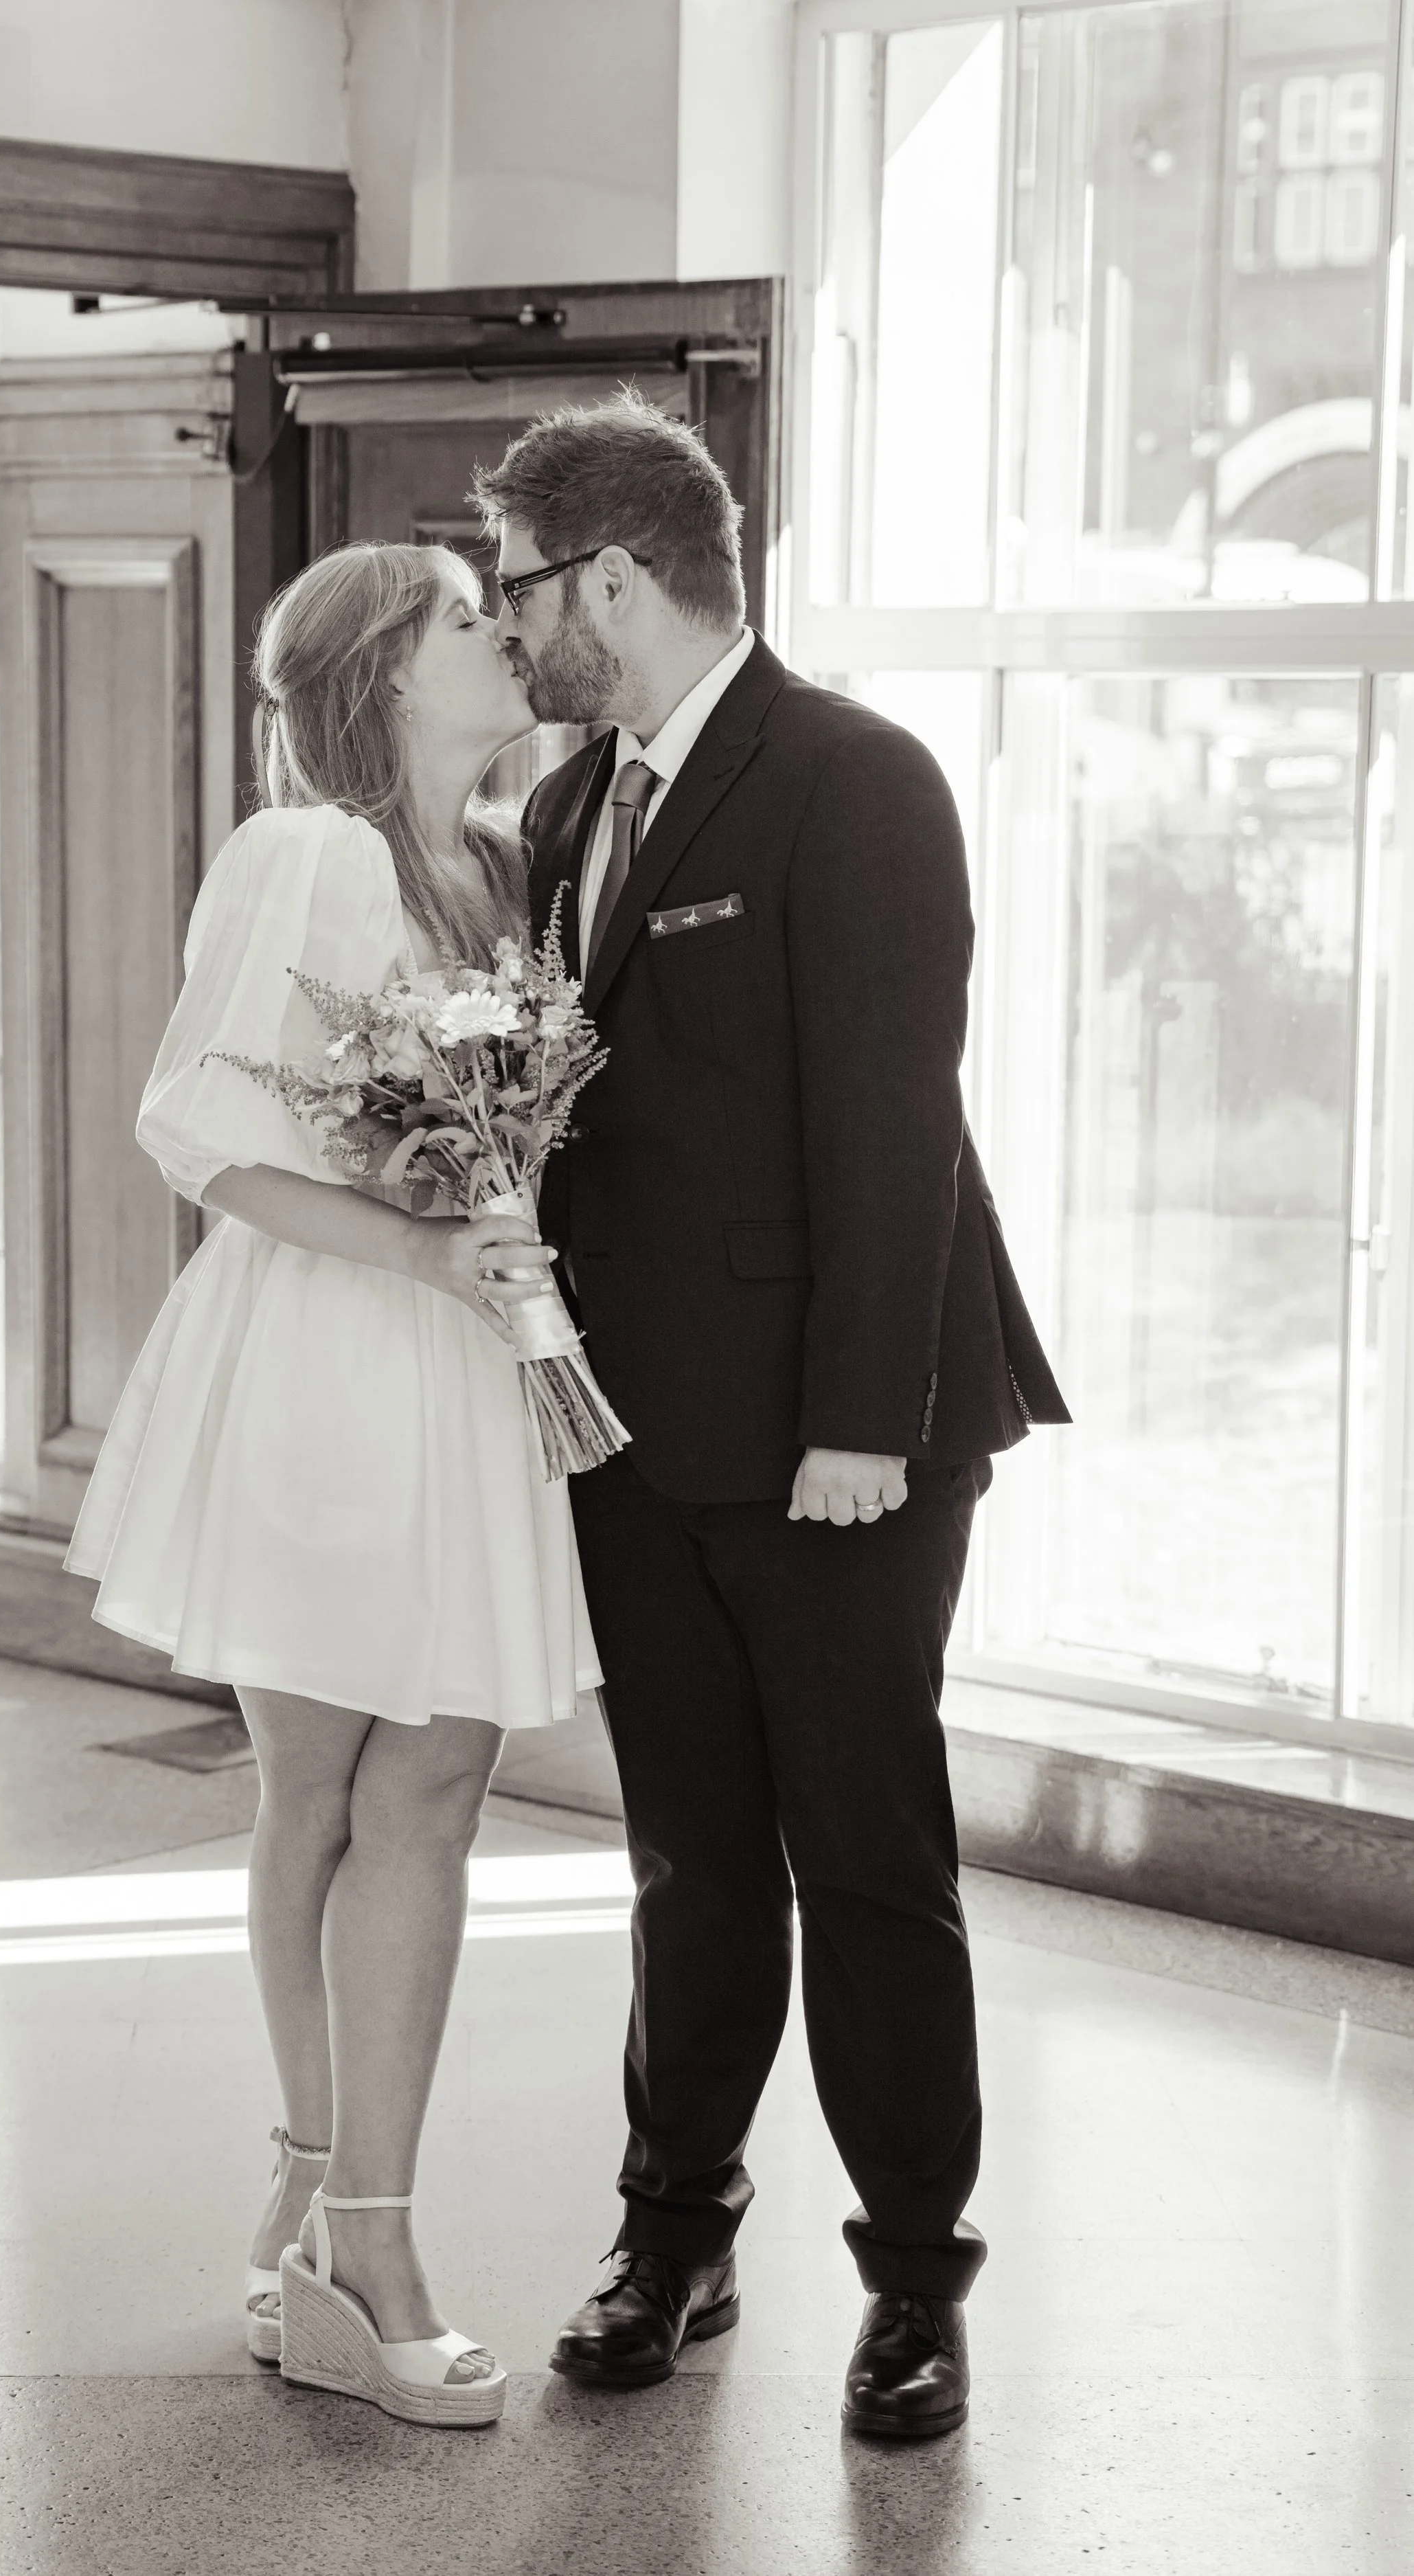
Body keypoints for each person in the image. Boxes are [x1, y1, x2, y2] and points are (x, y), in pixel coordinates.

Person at [473, 396, 1069, 2441]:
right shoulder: (570, 813)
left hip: (845, 1440)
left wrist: (862, 1421)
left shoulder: (852, 778)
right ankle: (673, 2234)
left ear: (611, 581)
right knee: (685, 1861)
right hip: (635, 1436)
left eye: (517, 587)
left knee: (866, 1855)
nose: (506, 625)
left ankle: (916, 2282)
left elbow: (894, 1127)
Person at [66, 542, 602, 2431]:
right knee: (335, 1779)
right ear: (384, 669)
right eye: (471, 615)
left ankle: (338, 2209)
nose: (507, 634)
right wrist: (427, 1252)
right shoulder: (310, 852)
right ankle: (343, 2215)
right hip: (334, 1351)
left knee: (428, 1771)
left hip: (456, 1355)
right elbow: (191, 1123)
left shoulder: (509, 852)